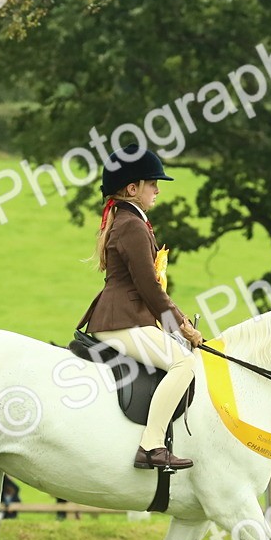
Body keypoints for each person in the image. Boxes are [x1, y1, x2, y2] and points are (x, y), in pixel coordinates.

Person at [77, 145, 203, 470]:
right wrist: (182, 325)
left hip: (126, 317)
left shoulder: (129, 220)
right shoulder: (132, 225)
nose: (158, 190)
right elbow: (148, 287)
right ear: (132, 189)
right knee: (183, 364)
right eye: (152, 184)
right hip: (123, 320)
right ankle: (151, 446)